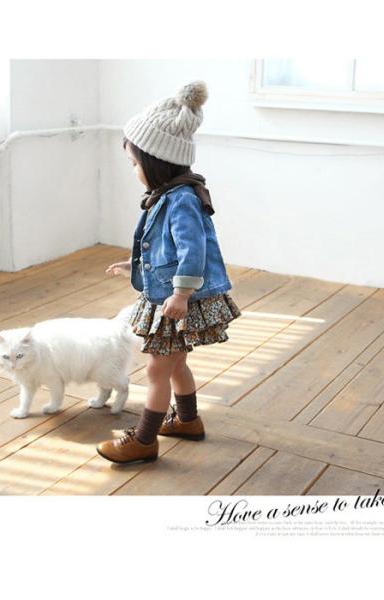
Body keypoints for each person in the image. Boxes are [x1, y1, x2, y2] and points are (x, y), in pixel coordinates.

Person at [96, 80, 242, 464]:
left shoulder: (181, 200)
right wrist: (134, 265)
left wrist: (180, 294)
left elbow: (194, 250)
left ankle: (144, 440)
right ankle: (188, 421)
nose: (134, 171)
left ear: (156, 161)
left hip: (177, 299)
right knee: (176, 363)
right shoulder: (169, 195)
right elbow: (166, 249)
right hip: (172, 295)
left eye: (134, 164)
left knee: (157, 371)